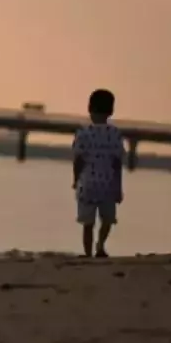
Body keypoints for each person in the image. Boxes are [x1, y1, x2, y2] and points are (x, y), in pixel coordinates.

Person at [71, 89, 125, 258]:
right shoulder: (115, 134)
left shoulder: (83, 133)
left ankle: (87, 254)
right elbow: (117, 163)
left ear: (89, 108)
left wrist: (75, 179)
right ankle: (100, 246)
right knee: (107, 220)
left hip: (88, 184)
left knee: (88, 223)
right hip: (108, 184)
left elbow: (78, 159)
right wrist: (119, 186)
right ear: (111, 111)